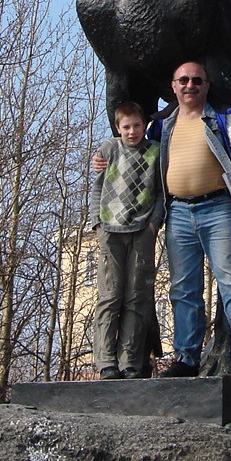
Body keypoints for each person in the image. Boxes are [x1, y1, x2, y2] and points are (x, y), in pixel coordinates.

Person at [151, 61, 231, 379]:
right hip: (177, 214)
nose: (190, 85)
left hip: (218, 210)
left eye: (197, 80)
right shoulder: (160, 126)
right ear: (173, 86)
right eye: (184, 80)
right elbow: (135, 158)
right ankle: (186, 359)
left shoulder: (226, 120)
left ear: (206, 85)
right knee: (183, 290)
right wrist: (104, 158)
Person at [88, 101, 165, 379]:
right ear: (118, 127)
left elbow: (160, 193)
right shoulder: (109, 149)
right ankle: (105, 360)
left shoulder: (155, 152)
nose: (131, 132)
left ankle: (129, 360)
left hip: (141, 231)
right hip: (111, 230)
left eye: (136, 125)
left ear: (144, 125)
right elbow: (97, 187)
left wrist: (154, 223)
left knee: (137, 297)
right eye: (126, 127)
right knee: (110, 295)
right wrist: (97, 222)